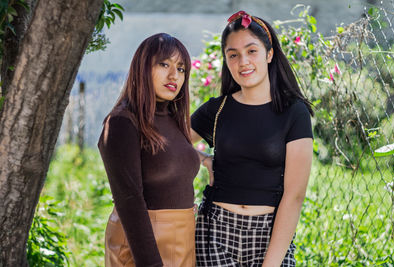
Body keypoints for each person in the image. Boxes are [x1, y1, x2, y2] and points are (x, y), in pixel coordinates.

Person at [191, 11, 314, 267]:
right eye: (233, 55)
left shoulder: (294, 113)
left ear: (269, 54)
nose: (243, 61)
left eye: (251, 51)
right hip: (214, 233)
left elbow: (294, 196)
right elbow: (167, 143)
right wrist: (203, 159)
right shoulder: (218, 109)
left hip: (269, 236)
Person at [98, 33, 200, 267]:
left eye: (181, 69)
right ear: (143, 67)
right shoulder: (122, 122)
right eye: (164, 64)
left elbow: (171, 158)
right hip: (144, 246)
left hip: (182, 240)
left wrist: (205, 160)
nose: (174, 75)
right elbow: (129, 199)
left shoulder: (172, 119)